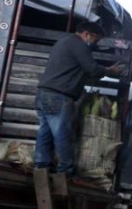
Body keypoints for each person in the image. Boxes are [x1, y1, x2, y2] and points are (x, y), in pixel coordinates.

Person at [33, 21, 124, 175]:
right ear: (87, 34)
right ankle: (65, 170)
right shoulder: (79, 45)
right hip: (59, 95)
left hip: (44, 93)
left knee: (45, 131)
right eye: (95, 40)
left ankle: (41, 166)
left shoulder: (63, 43)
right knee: (62, 133)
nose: (95, 44)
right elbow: (92, 69)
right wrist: (110, 71)